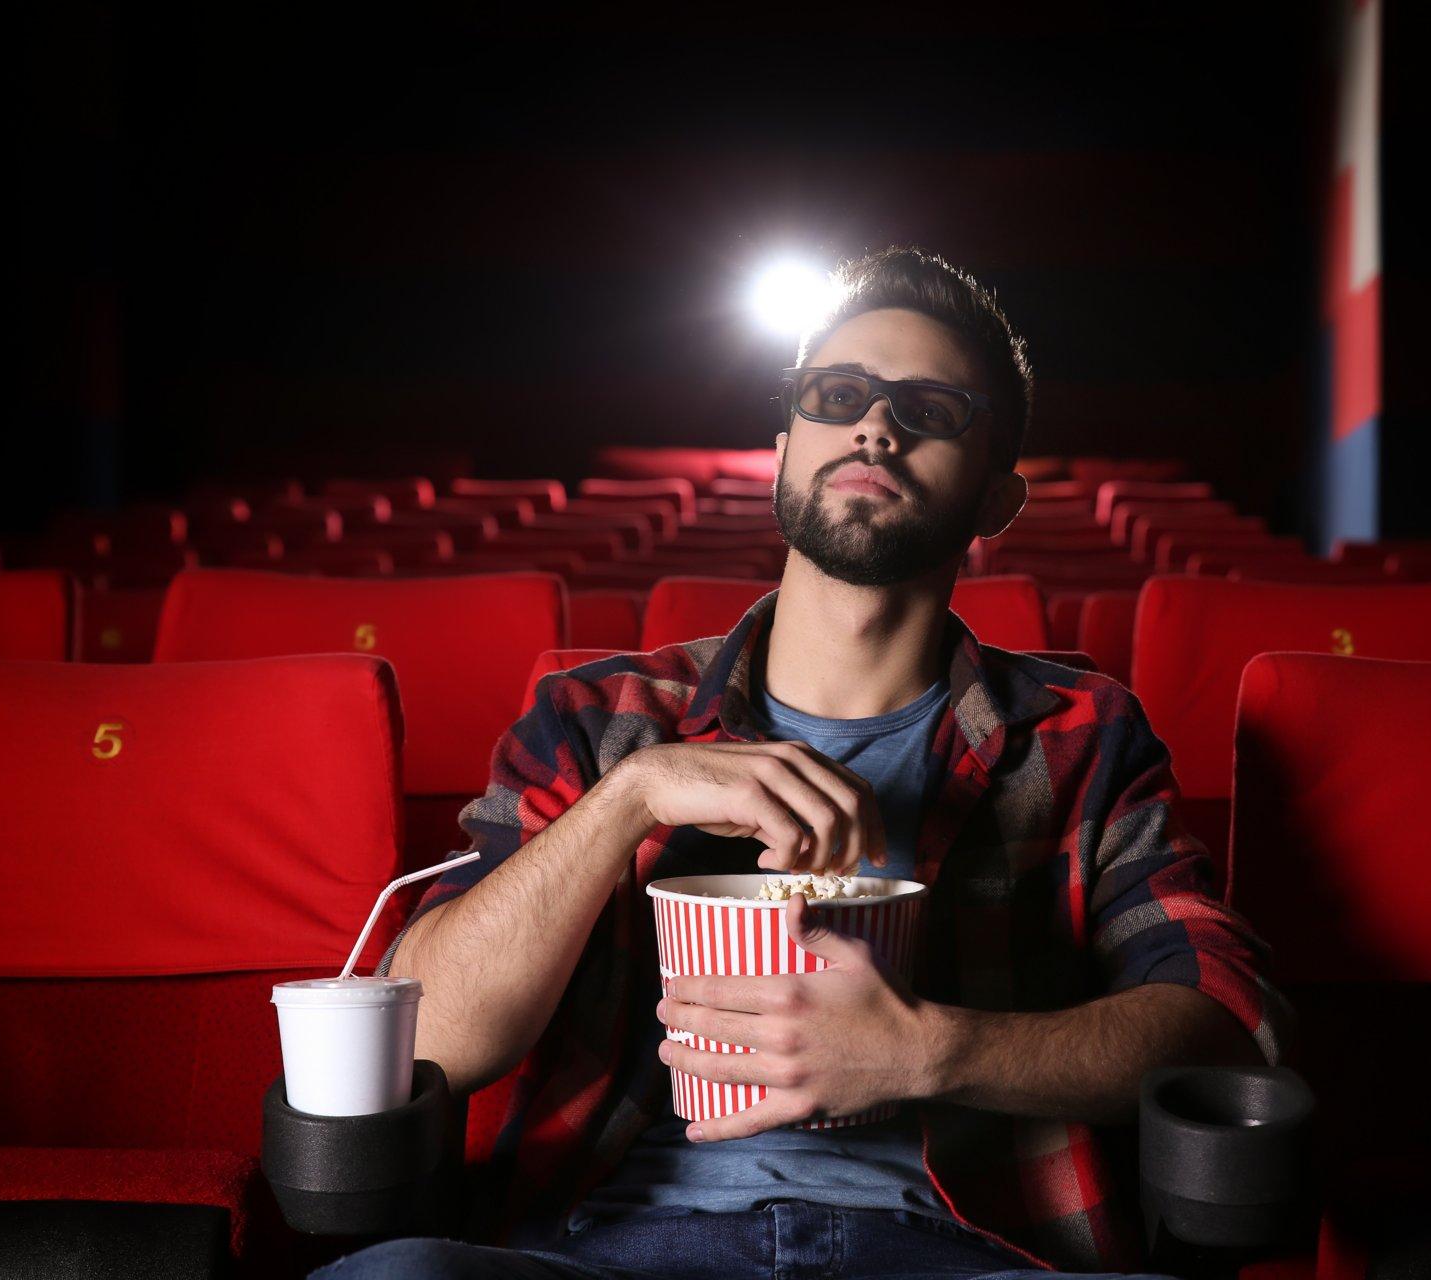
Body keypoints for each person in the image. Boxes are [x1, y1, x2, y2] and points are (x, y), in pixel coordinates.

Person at [312, 246, 1294, 1280]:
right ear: (785, 451)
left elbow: (1225, 1023)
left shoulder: (1080, 733)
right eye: (840, 394)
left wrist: (932, 1049)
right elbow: (429, 1035)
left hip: (958, 1250)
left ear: (999, 498)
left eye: (932, 408)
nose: (877, 424)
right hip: (610, 1251)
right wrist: (629, 799)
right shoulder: (604, 717)